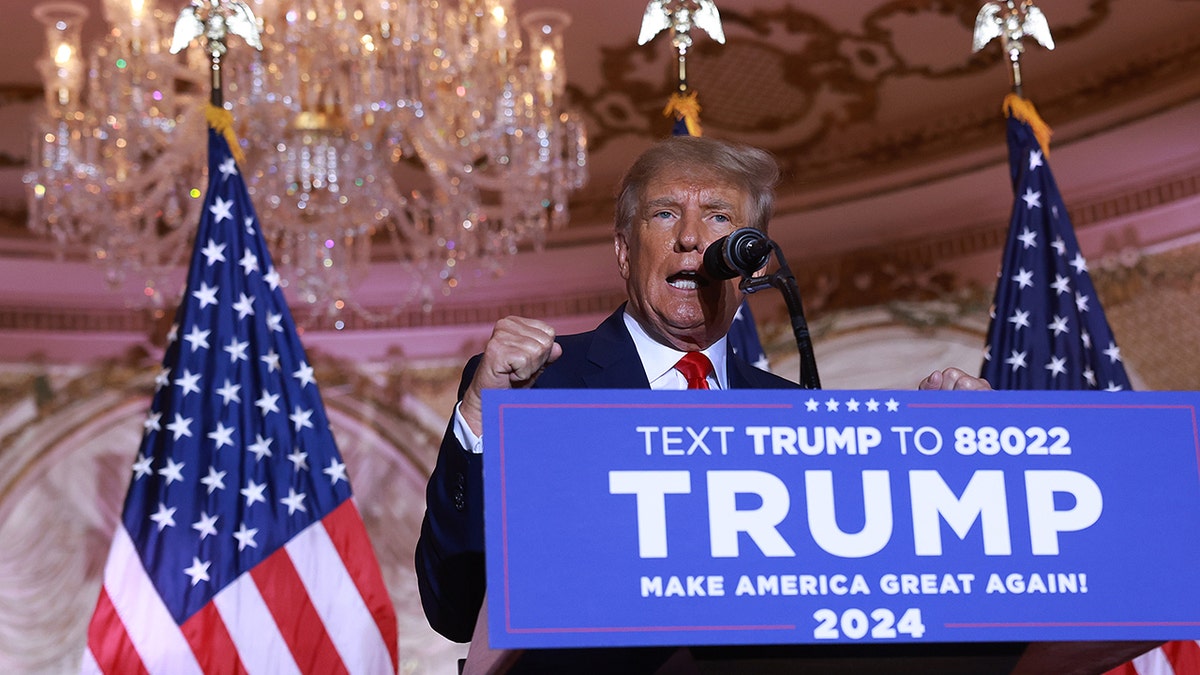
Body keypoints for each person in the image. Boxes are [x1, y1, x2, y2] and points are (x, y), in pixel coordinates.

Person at [414, 136, 989, 663]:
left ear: (752, 259)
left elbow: (868, 594)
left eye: (718, 217)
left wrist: (956, 456)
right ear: (622, 251)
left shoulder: (796, 417)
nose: (691, 237)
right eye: (664, 214)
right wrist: (482, 416)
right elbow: (455, 605)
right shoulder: (540, 389)